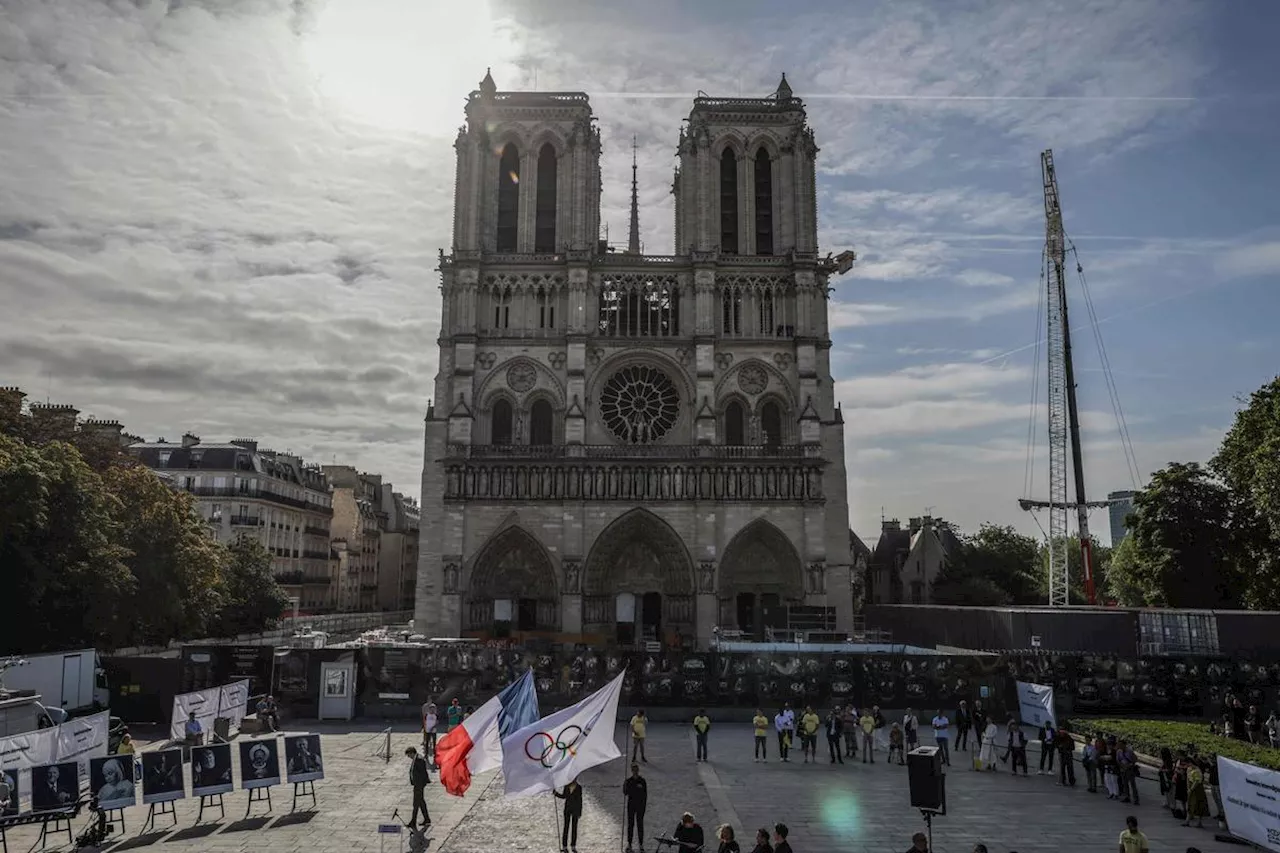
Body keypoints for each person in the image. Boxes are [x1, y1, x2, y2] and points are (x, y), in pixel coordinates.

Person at [404, 747, 431, 829]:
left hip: (419, 785)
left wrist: (420, 785)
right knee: (421, 803)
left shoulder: (419, 760)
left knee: (416, 804)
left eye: (409, 755)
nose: (409, 757)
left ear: (412, 753)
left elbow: (423, 773)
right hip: (417, 785)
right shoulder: (417, 758)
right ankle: (427, 819)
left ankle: (413, 821)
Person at [554, 778, 583, 853]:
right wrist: (556, 793)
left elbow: (580, 800)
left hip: (575, 810)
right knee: (566, 828)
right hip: (567, 810)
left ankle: (573, 846)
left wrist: (579, 812)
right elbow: (564, 796)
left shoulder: (579, 787)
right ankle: (564, 846)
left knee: (574, 828)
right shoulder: (566, 786)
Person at [624, 763, 647, 853]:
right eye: (633, 770)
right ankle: (629, 843)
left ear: (638, 770)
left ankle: (641, 844)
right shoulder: (629, 781)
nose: (635, 772)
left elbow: (645, 795)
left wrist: (644, 807)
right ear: (632, 771)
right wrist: (624, 785)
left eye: (636, 770)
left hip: (640, 806)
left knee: (640, 825)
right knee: (630, 825)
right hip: (631, 805)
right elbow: (625, 793)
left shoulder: (642, 781)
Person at [1185, 761, 1208, 828]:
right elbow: (1188, 778)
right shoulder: (1189, 769)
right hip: (1191, 786)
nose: (1188, 765)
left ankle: (1199, 822)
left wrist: (1191, 789)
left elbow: (1197, 781)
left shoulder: (1197, 770)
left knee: (1199, 804)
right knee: (1190, 804)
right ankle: (1187, 821)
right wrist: (1188, 788)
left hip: (1197, 789)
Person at [1055, 723, 1077, 788]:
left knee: (1070, 768)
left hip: (1068, 755)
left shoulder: (1069, 739)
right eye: (1060, 732)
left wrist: (1065, 747)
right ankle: (1063, 781)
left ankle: (1071, 780)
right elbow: (1056, 744)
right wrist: (1060, 746)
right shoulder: (1058, 738)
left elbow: (1073, 747)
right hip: (1062, 755)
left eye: (1062, 732)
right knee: (1062, 768)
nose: (1061, 734)